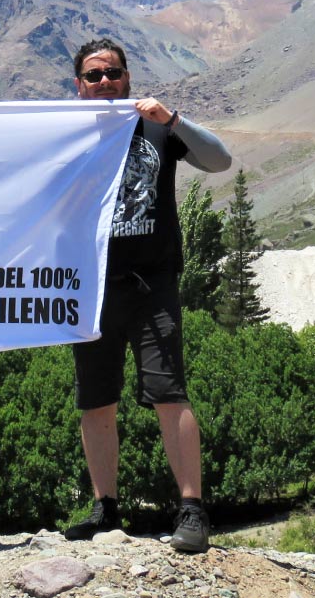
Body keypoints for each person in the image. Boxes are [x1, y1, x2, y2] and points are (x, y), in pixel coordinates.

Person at [62, 39, 232, 552]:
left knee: (168, 392)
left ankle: (191, 509)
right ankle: (105, 509)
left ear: (128, 76)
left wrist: (174, 119)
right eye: (93, 75)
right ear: (79, 84)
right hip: (89, 285)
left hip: (151, 284)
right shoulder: (65, 132)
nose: (105, 81)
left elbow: (219, 161)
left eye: (112, 72)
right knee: (96, 400)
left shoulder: (157, 126)